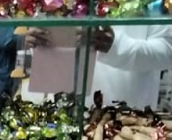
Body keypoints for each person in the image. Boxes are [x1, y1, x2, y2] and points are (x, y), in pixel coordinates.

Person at [30, 26, 172, 109]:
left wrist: (115, 46)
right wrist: (37, 41)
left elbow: (166, 52)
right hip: (62, 112)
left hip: (128, 120)